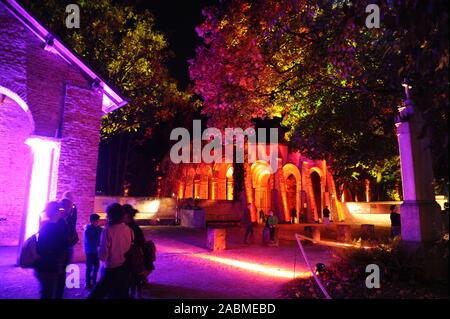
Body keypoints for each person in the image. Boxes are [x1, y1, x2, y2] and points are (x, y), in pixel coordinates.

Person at [88, 203, 133, 299]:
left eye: (107, 214)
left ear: (111, 216)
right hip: (124, 269)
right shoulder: (128, 229)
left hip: (110, 269)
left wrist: (99, 247)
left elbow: (103, 256)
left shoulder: (108, 231)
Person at [34, 201, 69, 299]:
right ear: (55, 212)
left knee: (48, 292)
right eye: (59, 210)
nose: (61, 212)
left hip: (49, 265)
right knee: (48, 293)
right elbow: (59, 246)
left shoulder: (47, 225)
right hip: (49, 266)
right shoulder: (52, 227)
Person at [123, 204, 146, 299]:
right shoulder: (133, 226)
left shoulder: (128, 227)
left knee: (132, 275)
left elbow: (141, 241)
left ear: (126, 215)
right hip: (134, 255)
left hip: (131, 255)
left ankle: (134, 293)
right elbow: (142, 241)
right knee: (135, 275)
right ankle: (136, 293)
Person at [84, 213, 102, 289]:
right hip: (90, 251)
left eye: (98, 221)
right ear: (92, 221)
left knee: (96, 267)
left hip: (96, 251)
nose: (98, 222)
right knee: (89, 267)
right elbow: (90, 240)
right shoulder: (88, 229)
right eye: (96, 221)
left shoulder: (98, 228)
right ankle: (88, 283)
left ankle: (94, 281)